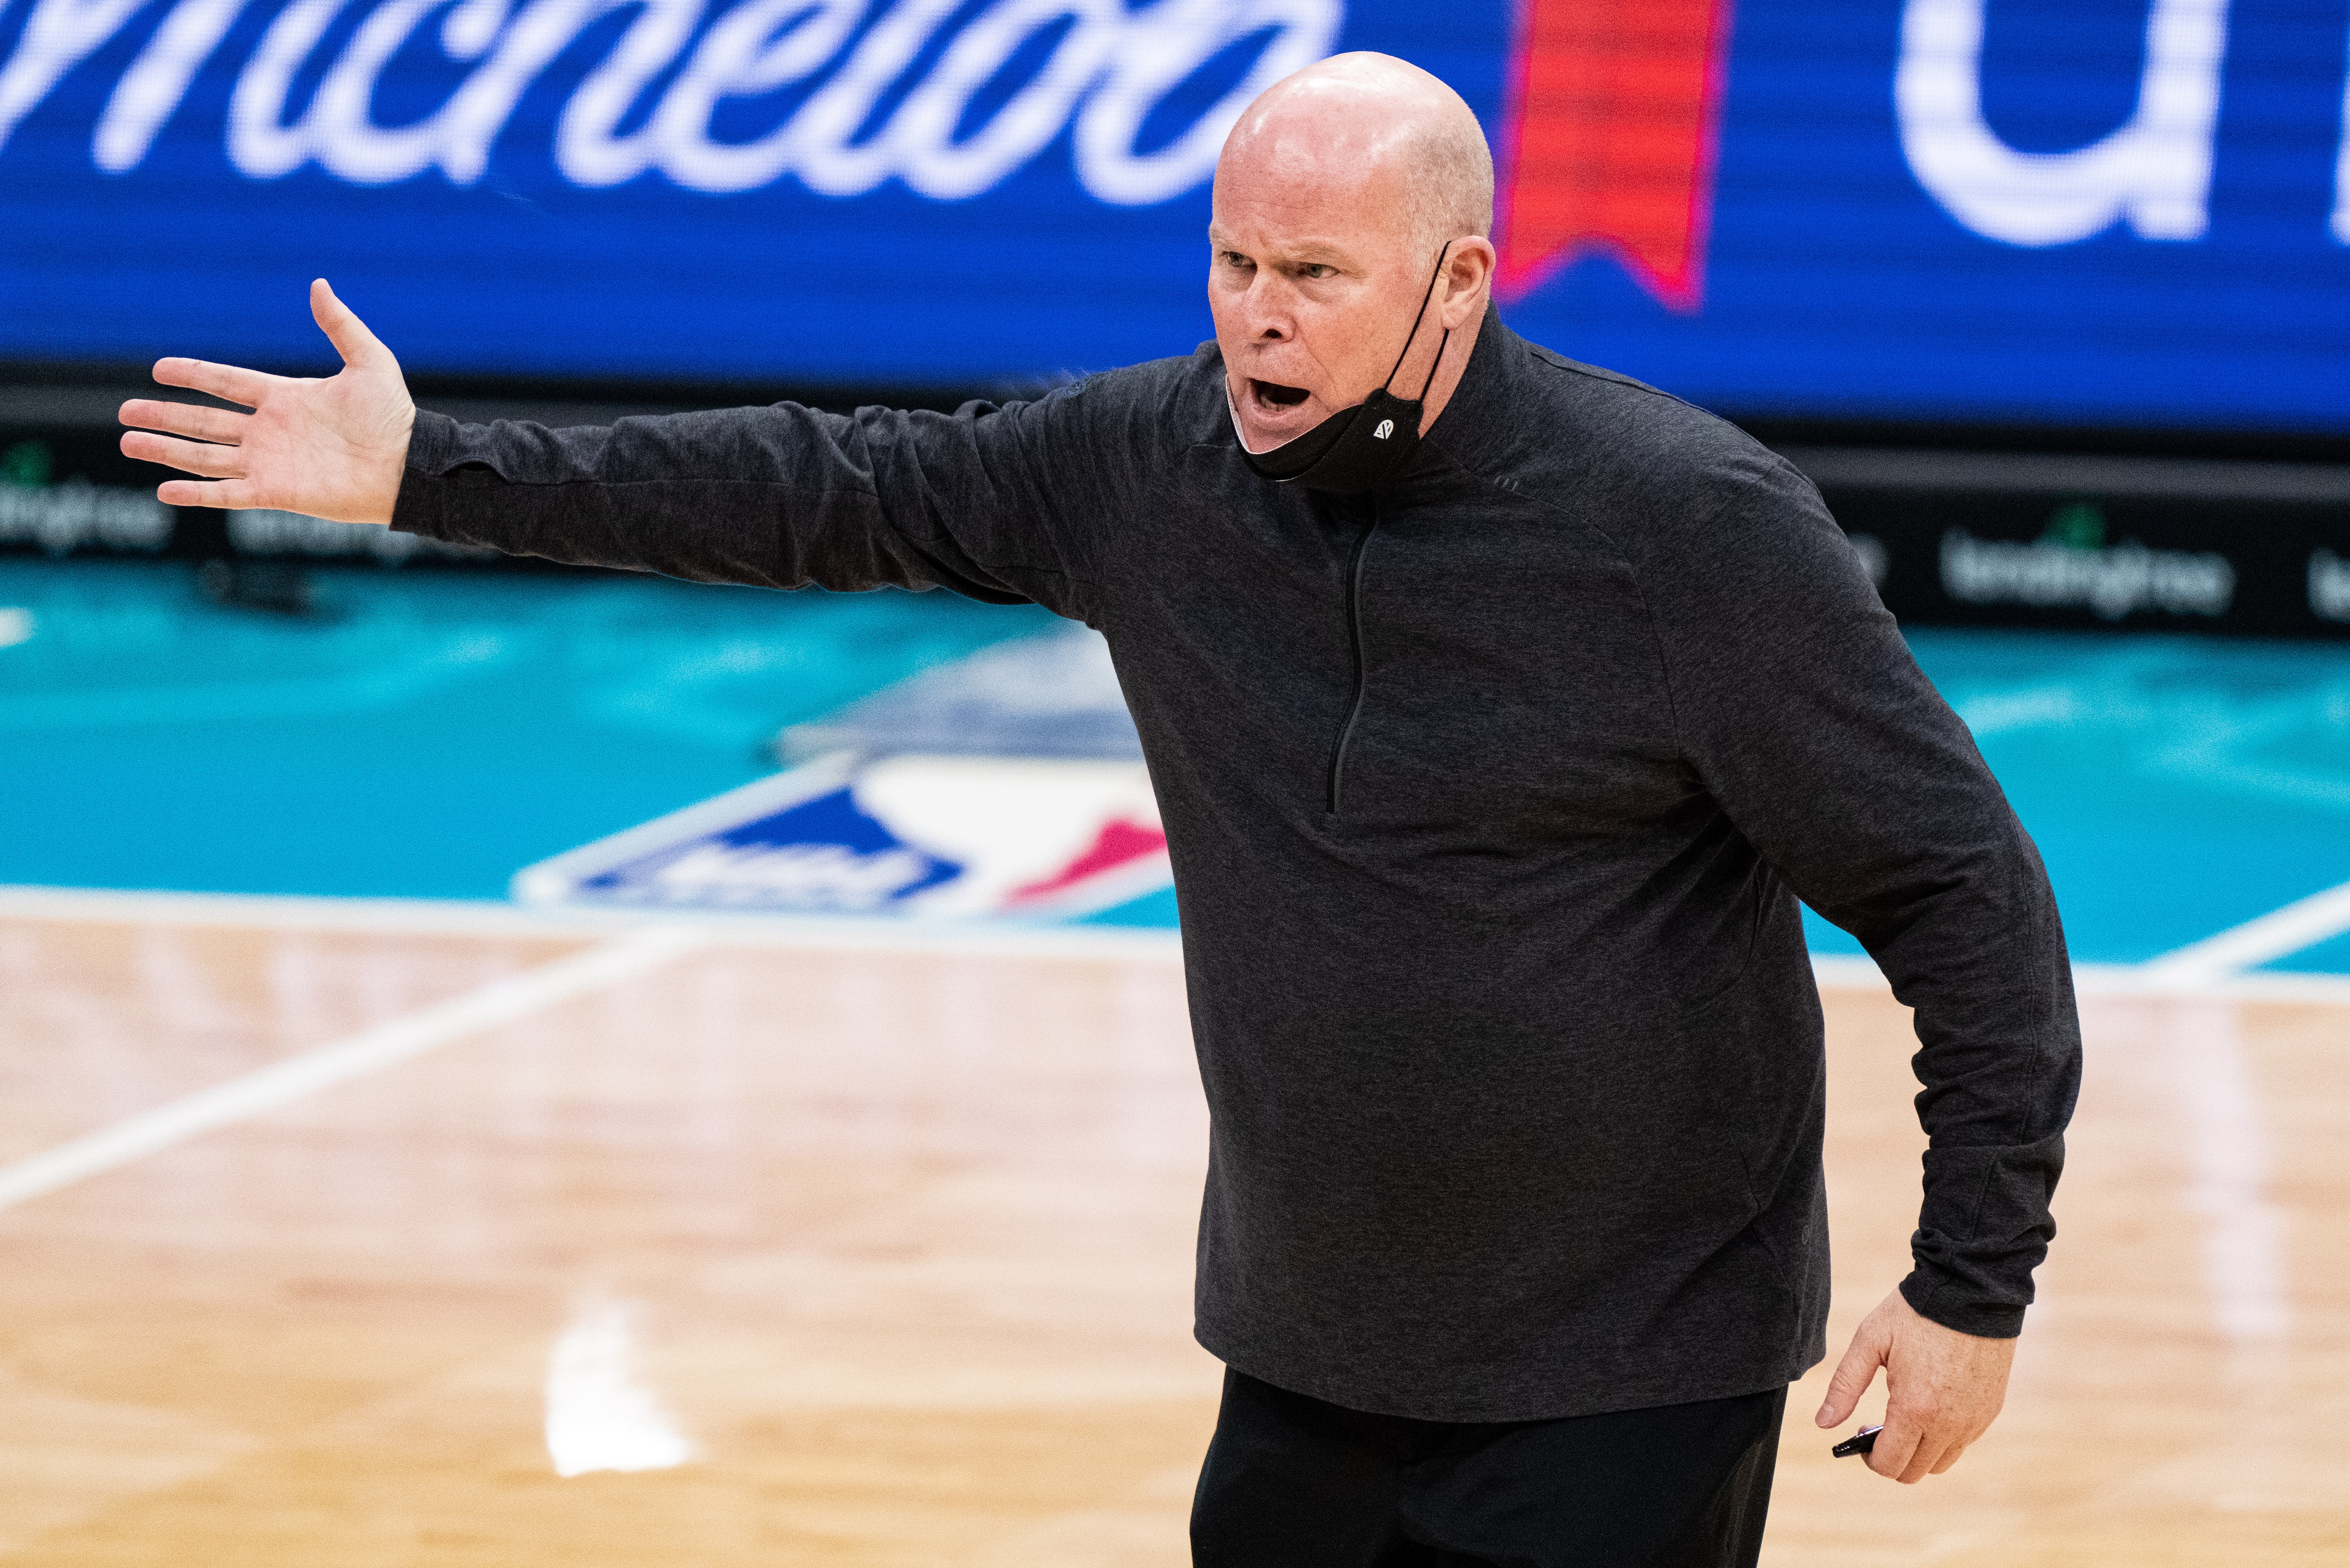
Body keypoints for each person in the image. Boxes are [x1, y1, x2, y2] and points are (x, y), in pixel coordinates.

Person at [120, 52, 2081, 1568]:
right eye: (1233, 266)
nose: (1257, 320)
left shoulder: (1687, 532)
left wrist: (1965, 1288)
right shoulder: (1148, 470)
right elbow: (821, 486)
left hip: (1625, 1381)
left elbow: (1963, 899)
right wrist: (430, 470)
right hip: (1305, 1355)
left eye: (1315, 277)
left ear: (1460, 282)